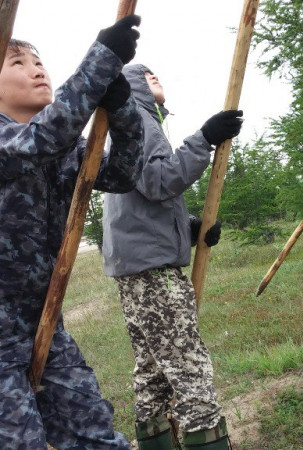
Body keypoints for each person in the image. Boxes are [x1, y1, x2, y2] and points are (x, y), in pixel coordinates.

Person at [0, 15, 144, 449]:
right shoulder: (20, 141)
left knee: (92, 432)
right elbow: (38, 142)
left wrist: (121, 110)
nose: (37, 69)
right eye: (17, 62)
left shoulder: (60, 147)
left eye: (39, 60)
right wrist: (101, 61)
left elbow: (121, 175)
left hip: (43, 321)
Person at [102, 64, 243, 449]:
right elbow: (161, 181)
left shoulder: (129, 125)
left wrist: (191, 229)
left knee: (152, 373)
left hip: (136, 268)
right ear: (131, 86)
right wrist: (205, 138)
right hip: (153, 272)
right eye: (145, 74)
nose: (155, 76)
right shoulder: (138, 121)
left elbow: (140, 202)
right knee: (189, 369)